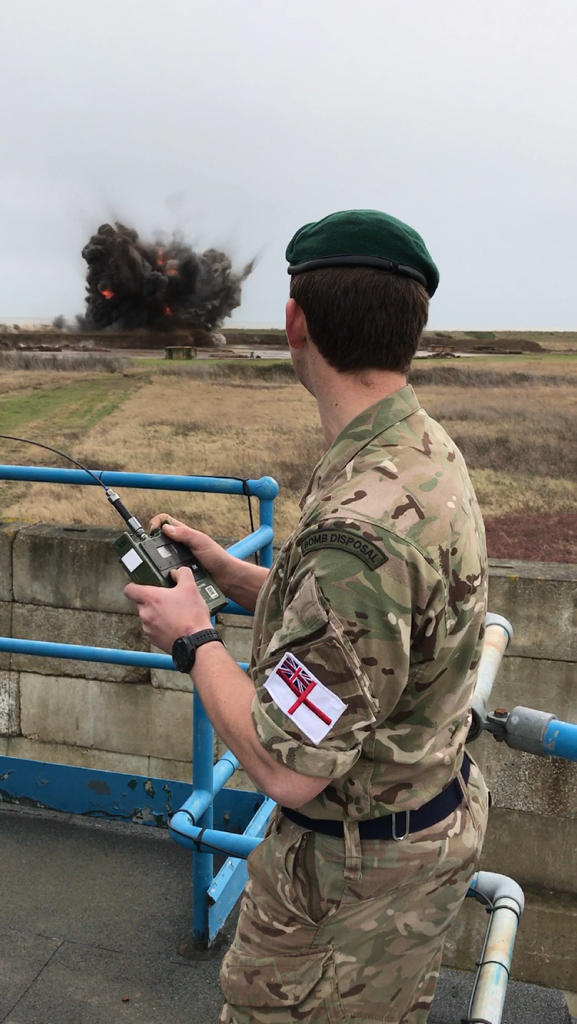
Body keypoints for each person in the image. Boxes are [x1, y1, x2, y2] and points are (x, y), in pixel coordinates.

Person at [125, 209, 490, 1024]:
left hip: (347, 891)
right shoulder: (418, 453)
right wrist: (228, 572)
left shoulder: (355, 527)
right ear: (411, 326)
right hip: (416, 841)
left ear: (296, 320)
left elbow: (291, 768)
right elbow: (366, 634)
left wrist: (192, 640)